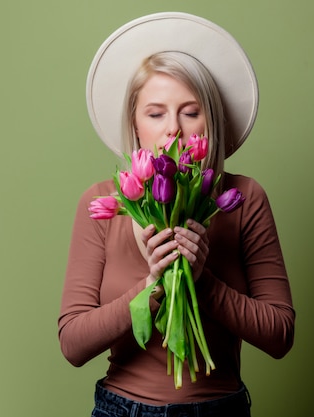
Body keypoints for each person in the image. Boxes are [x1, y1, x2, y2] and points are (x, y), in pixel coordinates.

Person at [58, 12, 295, 417]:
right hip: (122, 410)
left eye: (190, 112)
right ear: (133, 124)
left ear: (211, 124)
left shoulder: (244, 197)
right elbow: (73, 345)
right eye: (155, 113)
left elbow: (280, 335)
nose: (174, 130)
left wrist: (202, 280)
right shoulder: (101, 202)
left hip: (221, 409)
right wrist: (152, 286)